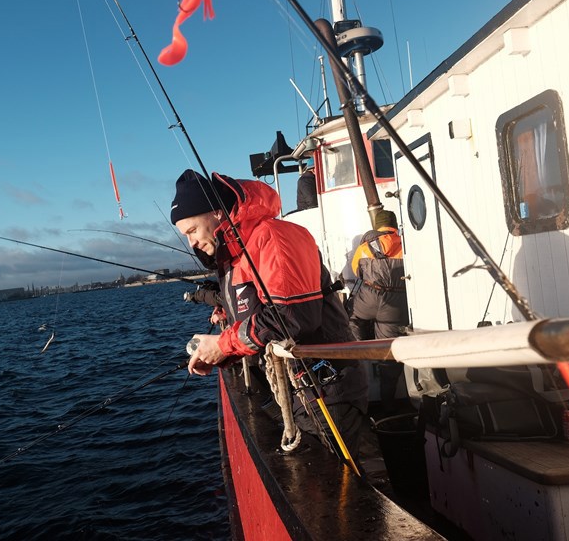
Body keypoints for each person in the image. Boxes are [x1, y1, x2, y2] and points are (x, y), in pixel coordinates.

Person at [170, 168, 369, 457]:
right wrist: (222, 354)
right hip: (300, 387)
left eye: (192, 231)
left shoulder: (274, 238)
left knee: (339, 481)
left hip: (325, 387)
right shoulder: (237, 255)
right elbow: (254, 317)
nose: (192, 243)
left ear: (216, 214)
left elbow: (292, 317)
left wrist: (223, 344)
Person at [348, 209, 409, 412]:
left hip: (369, 299)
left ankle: (358, 358)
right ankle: (388, 403)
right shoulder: (405, 244)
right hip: (395, 305)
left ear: (378, 226)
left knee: (354, 321)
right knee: (389, 352)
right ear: (393, 224)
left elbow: (357, 271)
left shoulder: (365, 247)